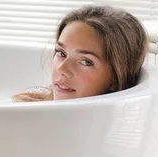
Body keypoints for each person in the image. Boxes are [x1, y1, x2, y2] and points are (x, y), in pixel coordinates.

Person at [12, 5, 148, 102]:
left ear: (116, 77)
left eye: (85, 61)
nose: (61, 69)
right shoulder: (22, 110)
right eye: (61, 53)